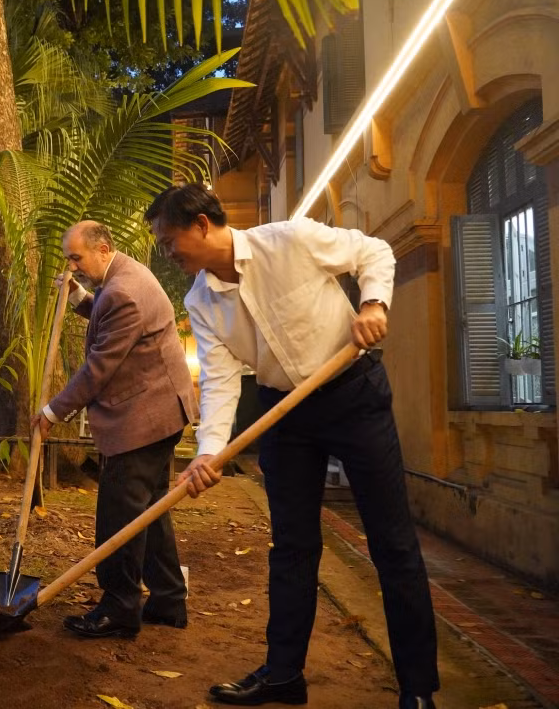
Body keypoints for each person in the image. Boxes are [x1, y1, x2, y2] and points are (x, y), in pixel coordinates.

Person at [146, 184, 438, 709]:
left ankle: (417, 688)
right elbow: (219, 380)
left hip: (354, 395)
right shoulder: (200, 300)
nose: (169, 254)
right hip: (286, 413)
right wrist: (210, 450)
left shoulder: (290, 239)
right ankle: (284, 675)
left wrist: (372, 303)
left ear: (202, 225)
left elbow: (373, 250)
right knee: (292, 548)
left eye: (170, 241)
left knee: (392, 544)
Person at [32, 221, 197, 638]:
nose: (72, 266)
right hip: (162, 411)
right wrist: (78, 298)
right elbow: (106, 315)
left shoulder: (123, 291)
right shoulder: (123, 276)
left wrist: (52, 411)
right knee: (150, 511)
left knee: (119, 515)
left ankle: (120, 607)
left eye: (76, 259)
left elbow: (98, 369)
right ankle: (168, 599)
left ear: (102, 250)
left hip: (144, 418)